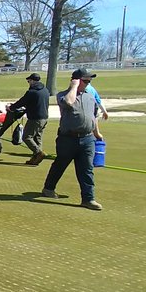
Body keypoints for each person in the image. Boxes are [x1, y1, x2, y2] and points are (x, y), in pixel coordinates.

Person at [40, 68, 103, 210]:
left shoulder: (90, 96)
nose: (88, 83)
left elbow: (94, 116)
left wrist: (97, 133)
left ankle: (88, 199)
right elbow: (68, 102)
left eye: (89, 81)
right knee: (60, 165)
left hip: (87, 139)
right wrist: (74, 86)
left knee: (87, 169)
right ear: (75, 80)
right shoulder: (64, 95)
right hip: (67, 138)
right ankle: (48, 188)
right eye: (85, 80)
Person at [4, 72, 50, 165]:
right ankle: (35, 159)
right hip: (44, 117)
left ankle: (38, 153)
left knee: (27, 137)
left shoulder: (31, 92)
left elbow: (22, 101)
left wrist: (11, 107)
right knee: (37, 138)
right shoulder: (45, 90)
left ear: (32, 81)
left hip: (35, 118)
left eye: (29, 81)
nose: (28, 83)